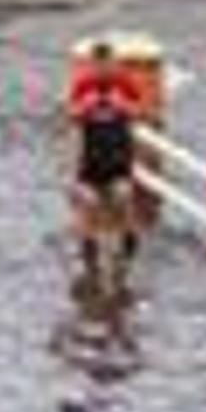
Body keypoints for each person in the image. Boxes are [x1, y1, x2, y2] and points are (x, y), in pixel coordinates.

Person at [66, 43, 151, 286]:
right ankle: (88, 252)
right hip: (91, 155)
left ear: (114, 63)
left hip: (117, 154)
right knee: (88, 203)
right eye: (99, 64)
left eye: (108, 64)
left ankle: (129, 243)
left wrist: (121, 105)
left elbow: (143, 112)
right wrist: (87, 105)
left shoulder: (124, 82)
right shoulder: (83, 84)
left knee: (123, 196)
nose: (103, 69)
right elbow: (71, 115)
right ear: (93, 64)